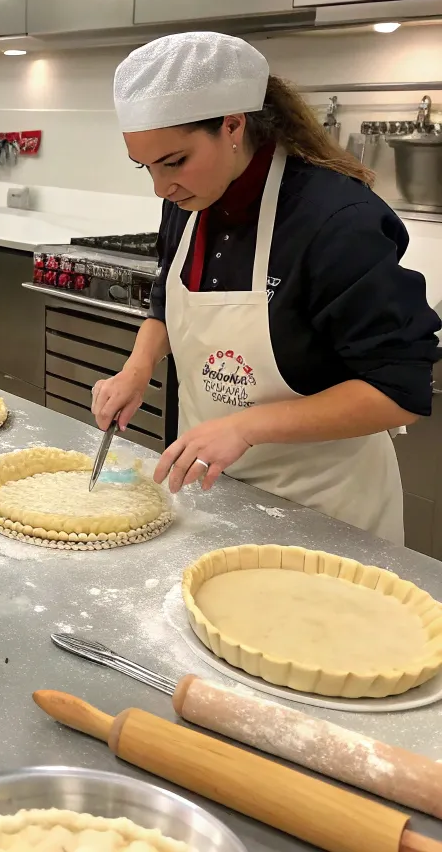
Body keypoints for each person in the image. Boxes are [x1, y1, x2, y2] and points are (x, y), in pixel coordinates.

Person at [92, 31, 440, 544]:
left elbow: (400, 390)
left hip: (325, 507)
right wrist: (137, 367)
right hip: (215, 491)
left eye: (174, 161)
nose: (160, 188)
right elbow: (170, 291)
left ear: (233, 124)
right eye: (146, 167)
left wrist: (246, 426)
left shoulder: (337, 221)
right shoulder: (189, 199)